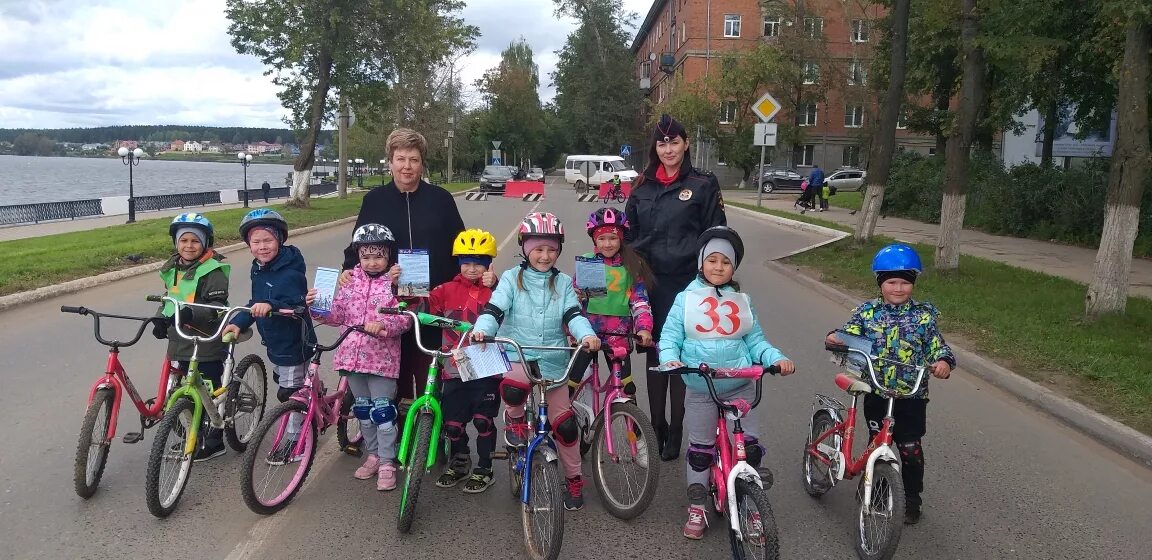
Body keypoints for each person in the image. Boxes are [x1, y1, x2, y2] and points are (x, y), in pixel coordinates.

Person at [658, 226, 795, 540]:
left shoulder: (741, 301)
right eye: (712, 260)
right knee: (700, 450)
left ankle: (752, 505)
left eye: (726, 262)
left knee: (750, 449)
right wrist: (670, 358)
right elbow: (670, 336)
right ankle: (697, 507)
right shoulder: (685, 299)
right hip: (701, 385)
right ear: (701, 263)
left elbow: (755, 340)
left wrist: (775, 358)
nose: (718, 267)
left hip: (740, 383)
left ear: (734, 267)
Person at [471, 212, 601, 511]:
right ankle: (515, 418)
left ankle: (573, 478)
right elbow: (495, 309)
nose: (545, 256)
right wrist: (482, 330)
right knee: (514, 388)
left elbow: (573, 314)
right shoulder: (511, 279)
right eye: (538, 249)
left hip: (553, 358)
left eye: (551, 249)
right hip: (519, 353)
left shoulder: (564, 282)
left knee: (565, 427)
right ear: (525, 249)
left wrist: (587, 335)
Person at [825, 243, 955, 525]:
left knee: (910, 450)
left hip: (912, 397)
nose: (898, 288)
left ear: (913, 283)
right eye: (891, 282)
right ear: (880, 283)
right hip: (877, 392)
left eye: (905, 282)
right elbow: (849, 334)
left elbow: (937, 346)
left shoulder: (923, 316)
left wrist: (943, 361)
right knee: (877, 445)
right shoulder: (867, 312)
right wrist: (836, 337)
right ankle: (875, 490)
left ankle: (911, 501)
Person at [625, 113, 727, 462]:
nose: (668, 149)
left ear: (686, 144)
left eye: (674, 142)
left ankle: (678, 429)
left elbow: (716, 233)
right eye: (662, 143)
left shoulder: (702, 183)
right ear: (655, 148)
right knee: (655, 354)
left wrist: (713, 278)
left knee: (681, 355)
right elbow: (628, 234)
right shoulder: (642, 186)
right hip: (651, 283)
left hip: (688, 283)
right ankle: (657, 426)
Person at [341, 128, 465, 404]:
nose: (407, 166)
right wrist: (348, 270)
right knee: (394, 375)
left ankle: (432, 423)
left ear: (422, 163)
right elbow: (358, 244)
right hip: (389, 301)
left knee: (430, 372)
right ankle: (397, 424)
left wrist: (475, 274)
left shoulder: (441, 199)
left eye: (414, 160)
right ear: (390, 162)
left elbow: (460, 245)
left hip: (433, 299)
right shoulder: (374, 200)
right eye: (401, 159)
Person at [306, 224, 412, 491]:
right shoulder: (350, 281)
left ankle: (387, 461)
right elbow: (338, 315)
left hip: (381, 360)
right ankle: (373, 455)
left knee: (383, 412)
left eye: (378, 256)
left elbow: (406, 317)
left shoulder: (396, 281)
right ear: (359, 256)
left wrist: (385, 325)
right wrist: (317, 308)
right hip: (351, 359)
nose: (372, 262)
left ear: (388, 256)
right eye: (366, 257)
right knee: (363, 411)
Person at [223, 209, 315, 463]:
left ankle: (296, 440)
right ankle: (308, 406)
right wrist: (238, 322)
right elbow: (257, 301)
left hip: (295, 340)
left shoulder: (290, 270)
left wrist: (272, 305)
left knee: (290, 393)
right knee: (291, 385)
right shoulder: (260, 268)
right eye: (256, 242)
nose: (262, 247)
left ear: (280, 239)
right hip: (276, 340)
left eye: (268, 240)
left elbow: (295, 300)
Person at [152, 213, 231, 461]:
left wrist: (191, 313)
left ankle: (215, 439)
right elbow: (170, 298)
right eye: (183, 240)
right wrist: (160, 318)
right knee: (187, 389)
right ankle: (194, 435)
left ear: (205, 243)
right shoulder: (174, 268)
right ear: (176, 243)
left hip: (205, 339)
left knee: (208, 390)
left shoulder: (213, 269)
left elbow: (217, 306)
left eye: (195, 241)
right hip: (180, 338)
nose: (189, 246)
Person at [431, 229, 501, 493]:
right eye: (466, 263)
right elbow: (421, 305)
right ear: (459, 263)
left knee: (483, 420)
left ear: (488, 264)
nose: (472, 269)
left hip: (487, 366)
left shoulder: (498, 290)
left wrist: (495, 285)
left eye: (479, 263)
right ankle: (459, 462)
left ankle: (485, 468)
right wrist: (400, 286)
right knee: (453, 424)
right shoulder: (446, 290)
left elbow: (514, 308)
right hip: (454, 366)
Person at [569, 207, 654, 399]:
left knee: (627, 388)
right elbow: (572, 303)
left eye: (613, 238)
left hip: (618, 336)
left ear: (621, 238)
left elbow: (640, 302)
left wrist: (644, 328)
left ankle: (629, 418)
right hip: (588, 333)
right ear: (594, 240)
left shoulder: (632, 265)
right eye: (601, 238)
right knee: (570, 384)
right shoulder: (588, 262)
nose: (607, 244)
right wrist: (571, 326)